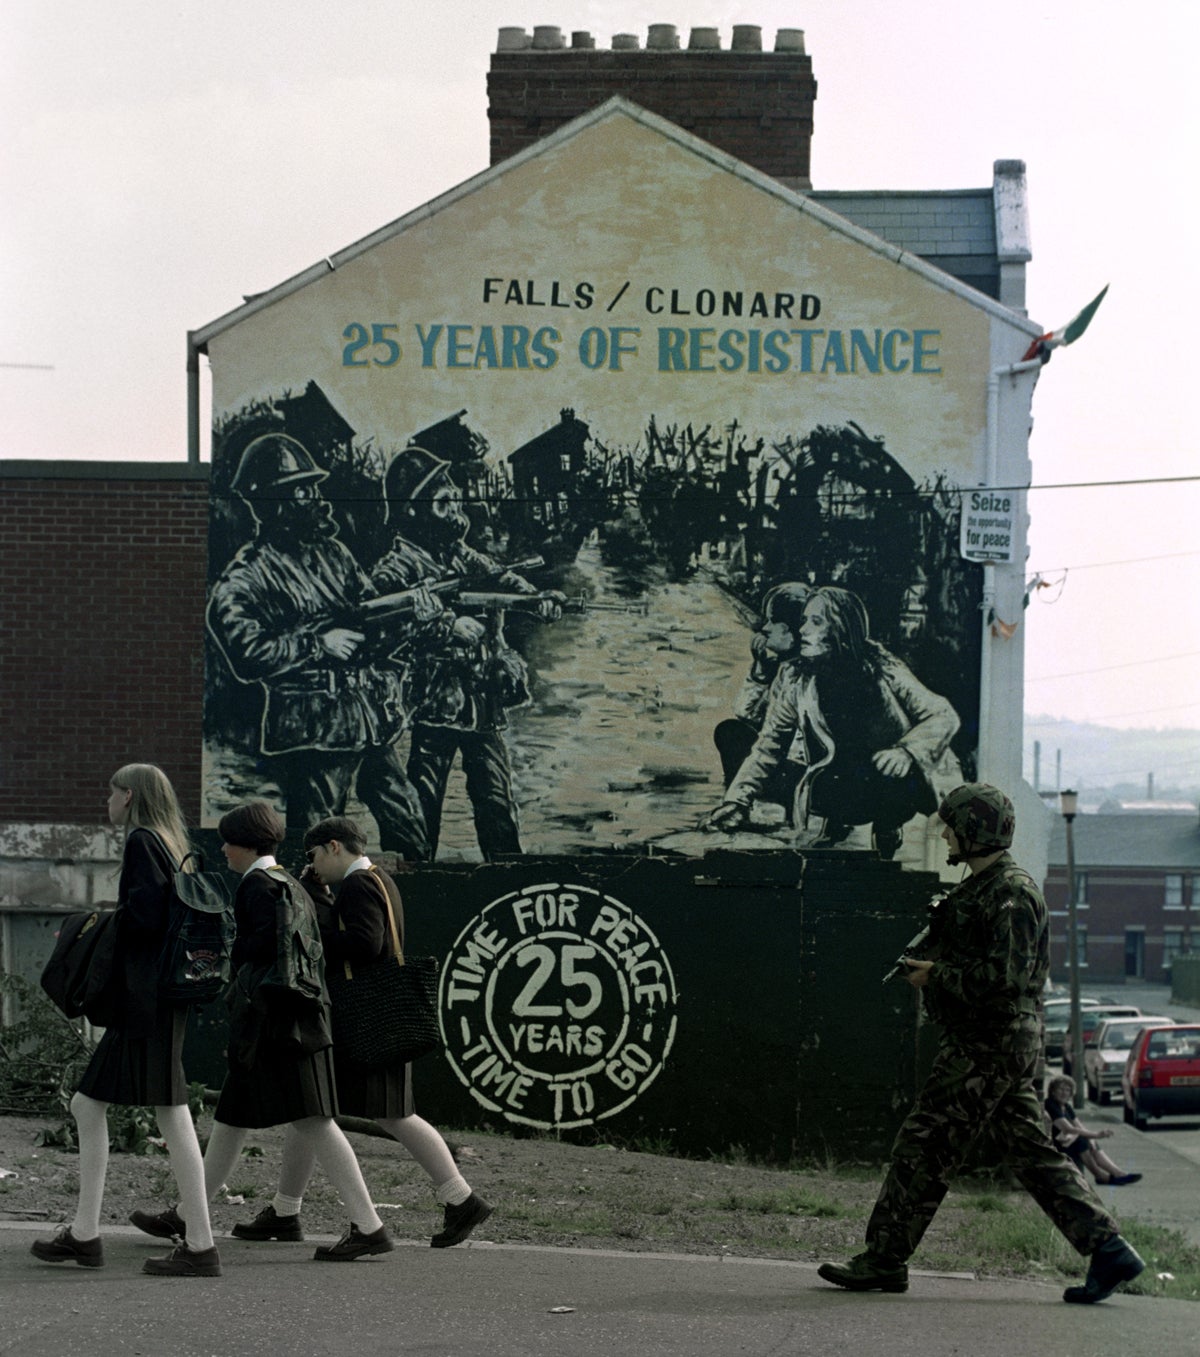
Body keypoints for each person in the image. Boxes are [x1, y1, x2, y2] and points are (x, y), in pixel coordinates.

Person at [818, 783, 1146, 1306]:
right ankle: (1109, 1249)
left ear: (974, 830)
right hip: (997, 1043)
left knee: (926, 1141)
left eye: (952, 825)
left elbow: (1007, 978)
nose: (945, 832)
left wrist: (937, 975)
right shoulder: (986, 888)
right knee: (1030, 1151)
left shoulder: (1011, 894)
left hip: (987, 1042)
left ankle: (883, 1258)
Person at [129, 802, 394, 1262]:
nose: (224, 850)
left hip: (276, 1025)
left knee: (315, 1121)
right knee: (231, 1117)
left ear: (247, 843)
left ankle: (369, 1226)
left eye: (229, 841)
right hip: (291, 1019)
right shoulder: (288, 881)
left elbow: (259, 949)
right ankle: (188, 1214)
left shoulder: (256, 886)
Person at [236, 815, 493, 1248]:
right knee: (313, 1111)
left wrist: (311, 940)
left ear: (335, 847)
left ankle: (461, 1199)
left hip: (368, 1016)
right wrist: (319, 896)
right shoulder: (377, 879)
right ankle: (284, 1210)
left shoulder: (357, 884)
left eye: (316, 856)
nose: (314, 867)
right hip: (380, 1012)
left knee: (380, 1113)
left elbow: (365, 942)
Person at [206, 432, 449, 856]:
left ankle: (415, 910)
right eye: (302, 489)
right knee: (319, 840)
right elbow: (247, 653)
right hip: (314, 729)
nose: (315, 498)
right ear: (272, 502)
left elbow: (370, 627)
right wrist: (317, 644)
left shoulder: (334, 555)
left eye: (313, 487)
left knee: (409, 818)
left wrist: (413, 618)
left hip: (367, 718)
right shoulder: (247, 576)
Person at [31, 764, 220, 1277]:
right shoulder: (169, 840)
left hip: (146, 1003)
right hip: (163, 1000)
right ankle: (89, 1234)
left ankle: (193, 1244)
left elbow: (144, 920)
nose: (106, 800)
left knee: (128, 1108)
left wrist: (90, 927)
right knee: (142, 1108)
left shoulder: (141, 841)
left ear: (128, 795)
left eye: (110, 791)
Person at [372, 445, 560, 860]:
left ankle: (507, 880)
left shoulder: (457, 554)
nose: (455, 507)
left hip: (481, 699)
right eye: (443, 502)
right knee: (422, 807)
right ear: (415, 511)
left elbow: (500, 579)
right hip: (435, 703)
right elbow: (383, 630)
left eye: (454, 497)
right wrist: (444, 625)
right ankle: (413, 890)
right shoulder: (396, 568)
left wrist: (537, 599)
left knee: (496, 803)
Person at [702, 585, 961, 858]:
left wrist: (906, 751)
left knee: (891, 772)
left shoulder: (881, 666)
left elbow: (943, 714)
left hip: (886, 784)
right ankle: (834, 827)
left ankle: (888, 827)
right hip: (836, 787)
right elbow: (769, 745)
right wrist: (737, 801)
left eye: (816, 621)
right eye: (803, 621)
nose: (802, 630)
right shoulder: (795, 675)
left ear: (841, 629)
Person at [711, 582, 808, 820]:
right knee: (730, 731)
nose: (765, 628)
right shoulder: (780, 666)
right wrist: (760, 671)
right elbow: (745, 714)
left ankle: (750, 806)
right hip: (778, 760)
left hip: (801, 768)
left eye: (773, 622)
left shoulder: (803, 671)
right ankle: (738, 805)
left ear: (793, 632)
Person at [1044, 1077, 1143, 1186]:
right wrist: (1096, 1134)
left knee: (1088, 1140)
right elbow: (1068, 1129)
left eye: (1067, 1090)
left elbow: (1079, 1126)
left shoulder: (1066, 1107)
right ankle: (1099, 1175)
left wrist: (1091, 1138)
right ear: (1053, 1091)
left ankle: (1117, 1173)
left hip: (1065, 1141)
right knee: (1081, 1140)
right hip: (1053, 1144)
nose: (1064, 1093)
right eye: (1061, 1089)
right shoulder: (1050, 1104)